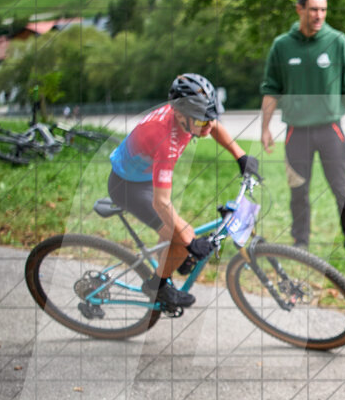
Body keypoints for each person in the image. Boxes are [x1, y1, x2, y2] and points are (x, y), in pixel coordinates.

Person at [107, 73, 259, 308]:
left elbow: (212, 125)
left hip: (146, 176)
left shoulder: (190, 115)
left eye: (210, 117)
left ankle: (172, 261)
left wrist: (240, 156)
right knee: (182, 237)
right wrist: (189, 242)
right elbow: (160, 203)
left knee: (176, 234)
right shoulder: (165, 139)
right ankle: (156, 286)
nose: (208, 126)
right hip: (128, 187)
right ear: (179, 114)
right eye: (201, 121)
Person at [260, 0, 345, 262]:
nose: (319, 15)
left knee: (342, 190)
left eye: (323, 10)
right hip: (296, 131)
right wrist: (265, 128)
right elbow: (271, 88)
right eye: (313, 9)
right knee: (298, 191)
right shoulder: (282, 45)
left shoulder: (337, 41)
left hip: (330, 129)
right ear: (300, 10)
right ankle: (300, 243)